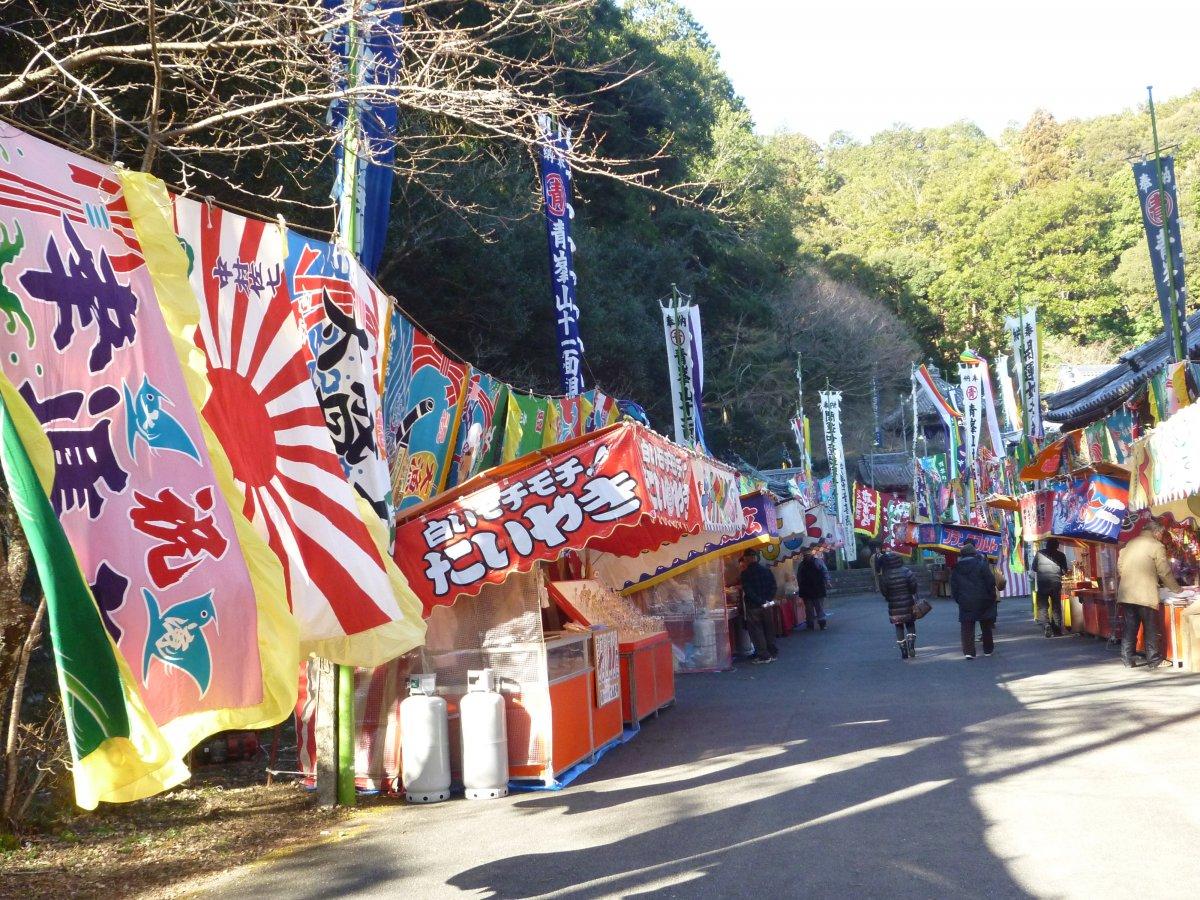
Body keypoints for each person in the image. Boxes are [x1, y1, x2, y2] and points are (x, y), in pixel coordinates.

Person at [1116, 520, 1180, 671]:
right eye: (1161, 534)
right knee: (1150, 627)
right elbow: (1164, 571)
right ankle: (1154, 660)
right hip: (1145, 592)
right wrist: (1176, 589)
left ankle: (1127, 659)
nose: (1161, 537)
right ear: (1157, 533)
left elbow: (1120, 566)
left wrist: (1128, 578)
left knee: (1130, 627)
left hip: (1126, 592)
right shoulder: (1157, 546)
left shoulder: (1130, 543)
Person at [950, 539, 999, 659]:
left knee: (967, 627)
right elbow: (990, 581)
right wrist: (991, 596)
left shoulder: (956, 568)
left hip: (965, 600)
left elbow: (954, 587)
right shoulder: (981, 564)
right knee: (986, 626)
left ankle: (969, 652)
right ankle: (988, 650)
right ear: (974, 553)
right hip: (983, 599)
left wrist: (959, 599)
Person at [877, 550, 920, 659]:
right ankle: (911, 646)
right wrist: (911, 592)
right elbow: (913, 585)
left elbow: (884, 591)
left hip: (894, 604)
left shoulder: (885, 575)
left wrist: (889, 597)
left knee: (898, 625)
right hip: (908, 601)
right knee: (910, 624)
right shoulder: (906, 571)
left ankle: (904, 651)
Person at [739, 549, 779, 664]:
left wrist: (759, 601)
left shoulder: (745, 574)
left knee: (757, 631)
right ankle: (772, 652)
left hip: (754, 606)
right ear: (756, 558)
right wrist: (767, 600)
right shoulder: (767, 570)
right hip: (767, 605)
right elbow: (774, 586)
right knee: (769, 628)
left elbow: (749, 591)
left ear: (747, 559)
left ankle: (763, 655)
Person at [1033, 538, 1069, 638]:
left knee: (1043, 606)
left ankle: (1046, 625)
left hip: (1042, 583)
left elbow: (1034, 568)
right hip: (1055, 583)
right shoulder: (1061, 555)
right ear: (1057, 546)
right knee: (1056, 606)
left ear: (1046, 545)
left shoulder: (1039, 553)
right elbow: (1064, 571)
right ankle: (1057, 630)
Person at [797, 544, 829, 631]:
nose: (806, 557)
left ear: (811, 554)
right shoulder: (801, 565)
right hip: (807, 590)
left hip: (817, 588)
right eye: (805, 555)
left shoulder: (817, 562)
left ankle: (822, 624)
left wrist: (827, 581)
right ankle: (810, 625)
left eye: (808, 555)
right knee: (809, 609)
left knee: (819, 608)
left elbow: (824, 571)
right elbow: (799, 577)